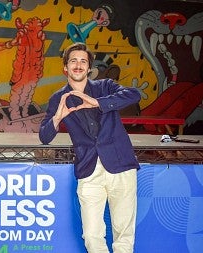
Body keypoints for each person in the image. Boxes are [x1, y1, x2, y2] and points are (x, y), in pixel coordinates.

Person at [39, 42, 141, 253]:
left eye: (83, 61)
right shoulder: (58, 98)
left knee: (124, 233)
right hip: (89, 170)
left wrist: (97, 103)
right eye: (73, 61)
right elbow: (44, 136)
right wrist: (58, 117)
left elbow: (134, 94)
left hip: (121, 165)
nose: (78, 65)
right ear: (65, 67)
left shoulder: (105, 87)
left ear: (89, 68)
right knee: (92, 236)